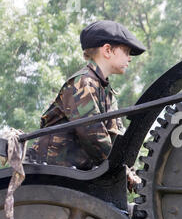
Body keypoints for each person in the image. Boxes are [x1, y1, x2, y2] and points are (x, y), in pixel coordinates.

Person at [27, 20, 146, 189]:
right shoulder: (83, 83)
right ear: (107, 50)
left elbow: (117, 141)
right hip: (51, 174)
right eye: (126, 51)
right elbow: (95, 138)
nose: (129, 58)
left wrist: (130, 172)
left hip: (75, 175)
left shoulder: (105, 90)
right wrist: (124, 172)